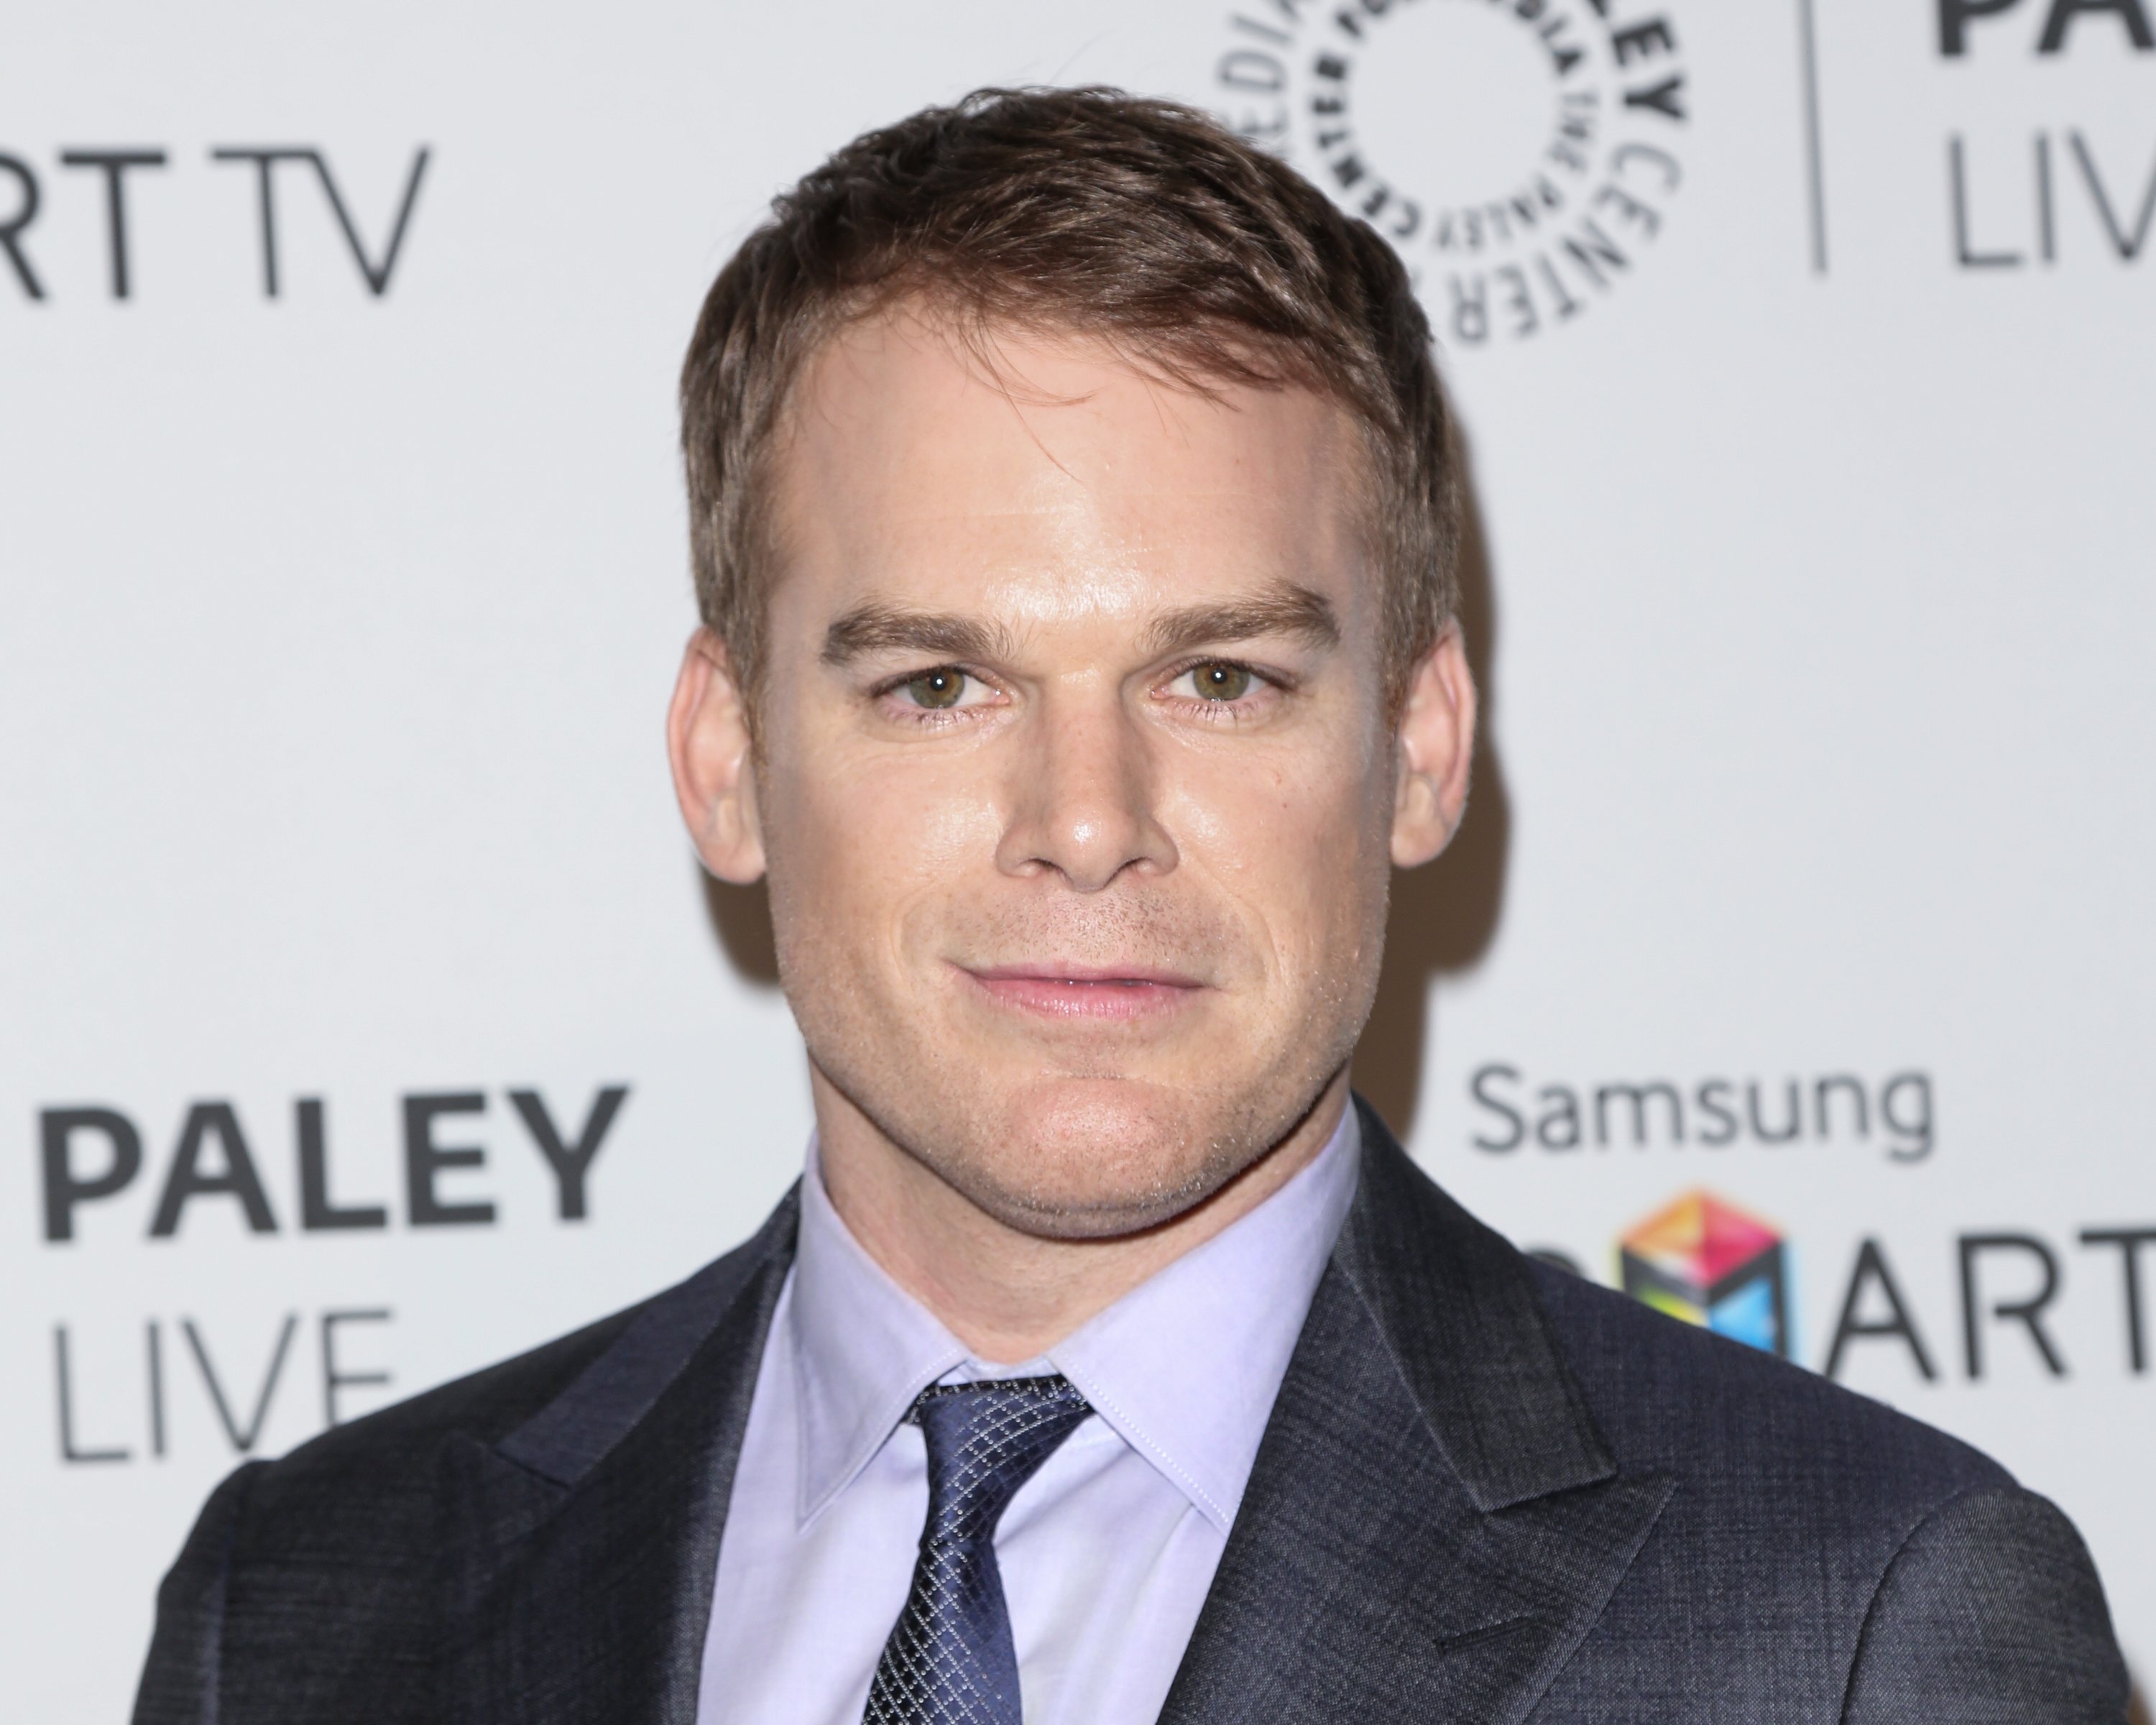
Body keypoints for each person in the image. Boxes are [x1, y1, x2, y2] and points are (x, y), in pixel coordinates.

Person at [134, 87, 2127, 1724]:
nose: (1086, 824)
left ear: (1421, 746)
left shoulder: (1861, 1630)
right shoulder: (307, 1614)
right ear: (729, 759)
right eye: (940, 684)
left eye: (1221, 680)